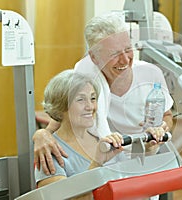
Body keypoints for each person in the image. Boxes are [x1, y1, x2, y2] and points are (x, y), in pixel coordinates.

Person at [33, 12, 174, 176]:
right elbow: (65, 113)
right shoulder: (85, 74)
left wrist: (161, 129)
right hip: (108, 155)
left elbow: (167, 115)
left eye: (128, 49)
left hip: (143, 153)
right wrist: (42, 134)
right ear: (94, 57)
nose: (124, 60)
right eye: (114, 54)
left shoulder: (151, 75)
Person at [35, 69, 125, 199]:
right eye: (81, 100)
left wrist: (150, 148)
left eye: (93, 98)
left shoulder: (104, 140)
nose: (90, 106)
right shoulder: (49, 152)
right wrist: (97, 163)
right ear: (61, 106)